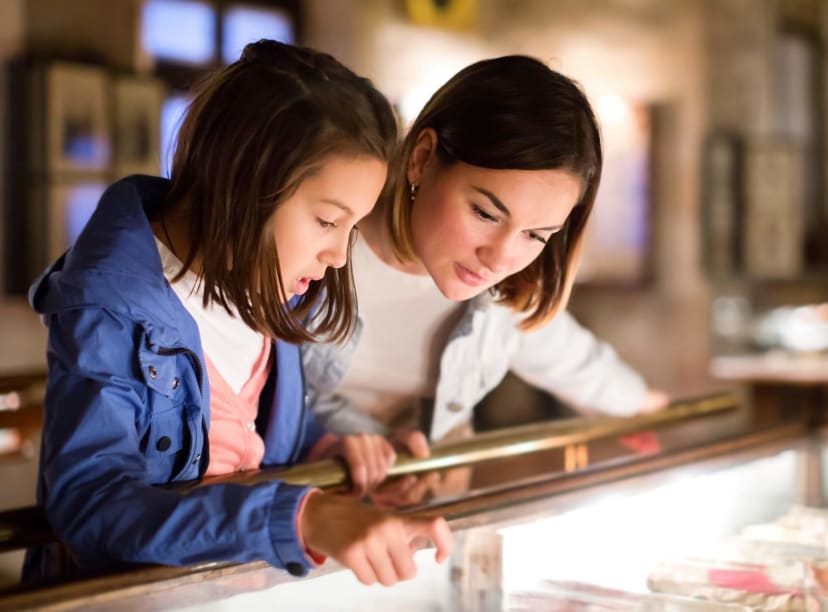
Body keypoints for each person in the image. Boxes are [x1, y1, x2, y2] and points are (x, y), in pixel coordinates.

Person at [23, 40, 451, 587]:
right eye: (326, 221)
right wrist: (302, 516)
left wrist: (330, 451)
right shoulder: (109, 309)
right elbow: (92, 504)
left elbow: (242, 434)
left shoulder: (269, 286)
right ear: (244, 183)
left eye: (352, 227)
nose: (339, 256)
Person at [303, 56, 669, 496]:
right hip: (306, 491)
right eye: (485, 213)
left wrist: (647, 409)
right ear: (422, 159)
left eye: (536, 234)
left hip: (427, 496)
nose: (500, 256)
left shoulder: (507, 293)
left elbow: (572, 359)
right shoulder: (314, 252)